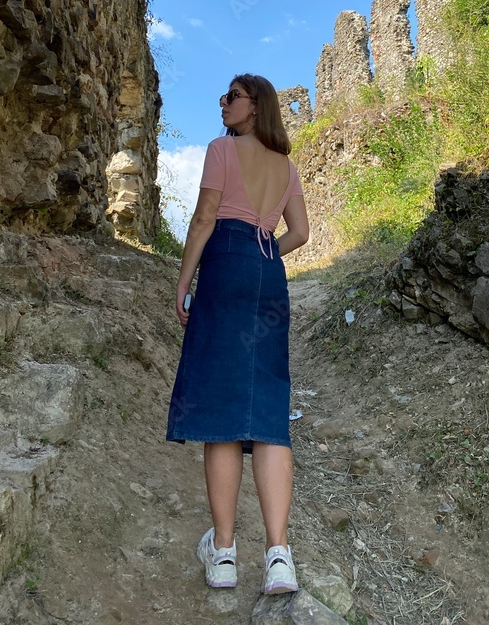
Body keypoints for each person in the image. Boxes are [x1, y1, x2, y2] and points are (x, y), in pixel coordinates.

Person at [166, 73, 309, 595]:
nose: (223, 104)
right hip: (268, 273)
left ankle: (224, 554)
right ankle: (279, 558)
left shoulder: (222, 150)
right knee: (268, 412)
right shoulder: (286, 166)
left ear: (255, 106)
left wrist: (184, 281)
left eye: (232, 97)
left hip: (224, 265)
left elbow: (205, 216)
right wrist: (264, 253)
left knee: (222, 413)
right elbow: (300, 233)